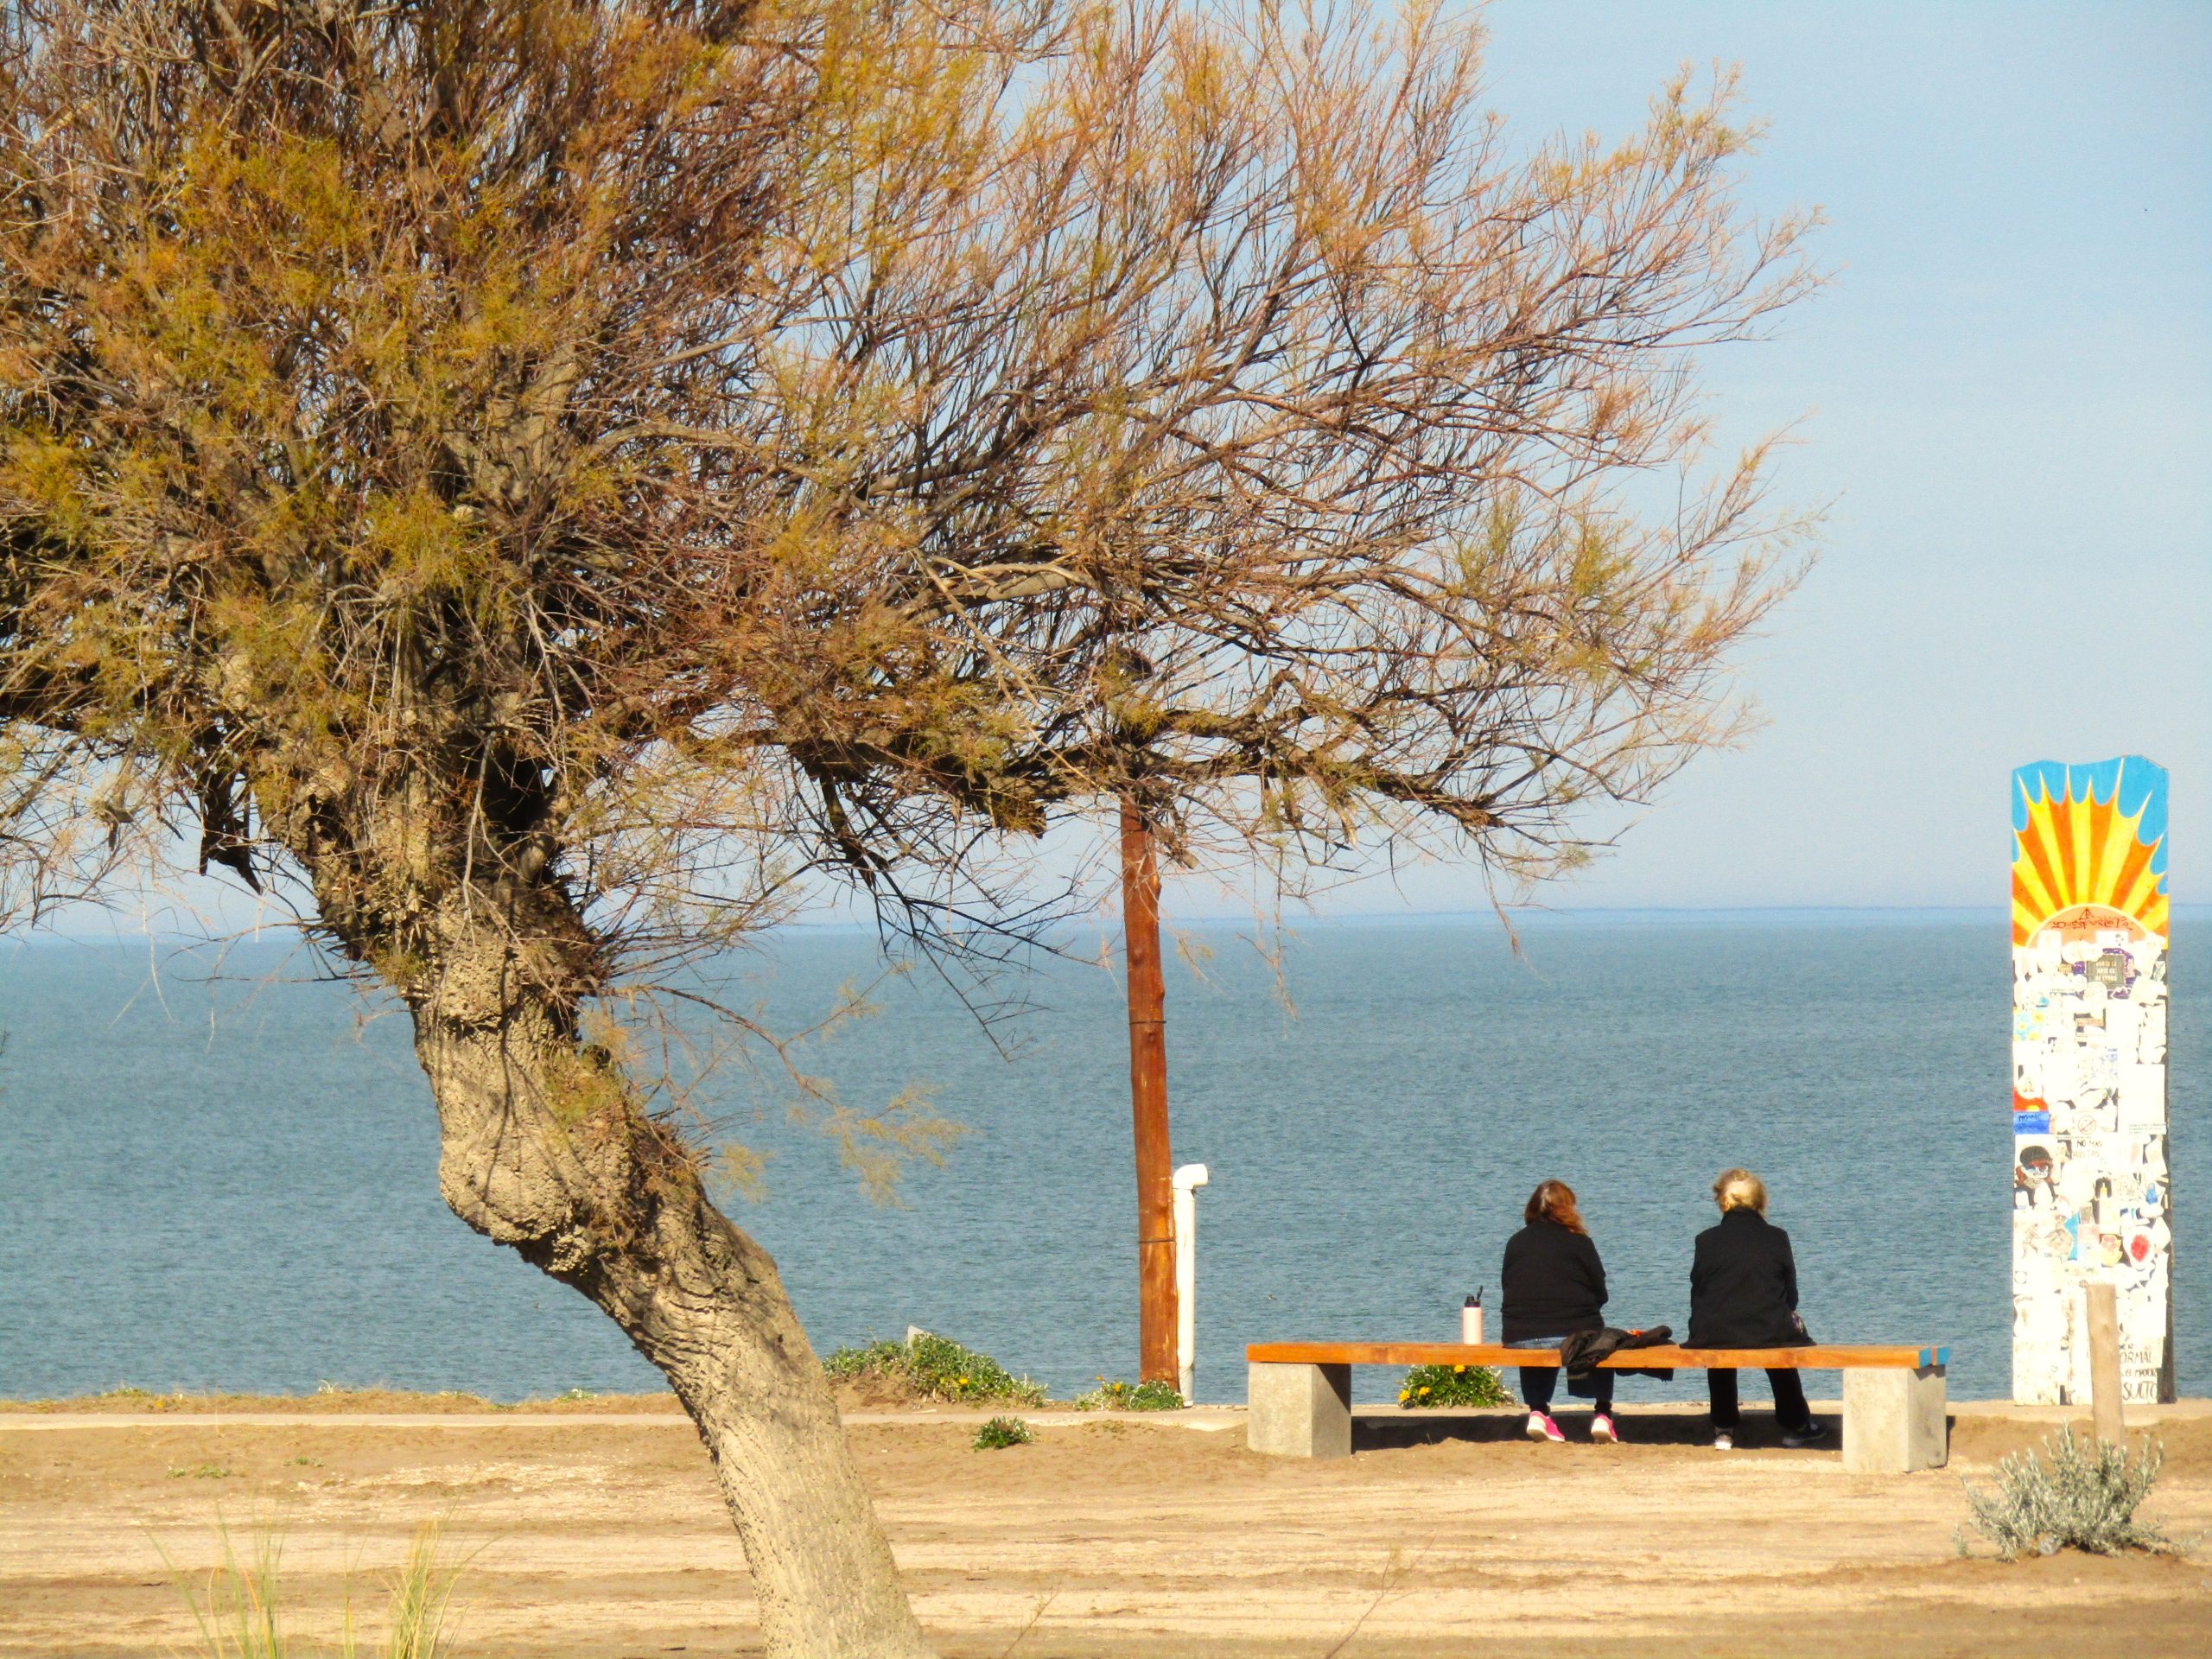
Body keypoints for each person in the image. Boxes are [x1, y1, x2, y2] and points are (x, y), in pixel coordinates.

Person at [1688, 1167, 1826, 1451]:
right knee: (1779, 1333)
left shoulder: (1705, 1240)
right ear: (1760, 1202)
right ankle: (1795, 1425)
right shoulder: (1777, 1237)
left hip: (1715, 1330)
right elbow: (1791, 1295)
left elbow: (1699, 1291)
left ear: (1722, 1202)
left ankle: (1724, 1427)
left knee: (1721, 1333)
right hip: (1768, 1327)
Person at [1500, 1179, 1618, 1444]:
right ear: (1568, 1210)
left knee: (1535, 1334)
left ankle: (1538, 1410)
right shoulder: (1580, 1243)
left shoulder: (1515, 1243)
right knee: (1600, 1338)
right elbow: (1600, 1292)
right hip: (1573, 1335)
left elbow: (1507, 1285)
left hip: (1520, 1335)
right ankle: (1602, 1413)